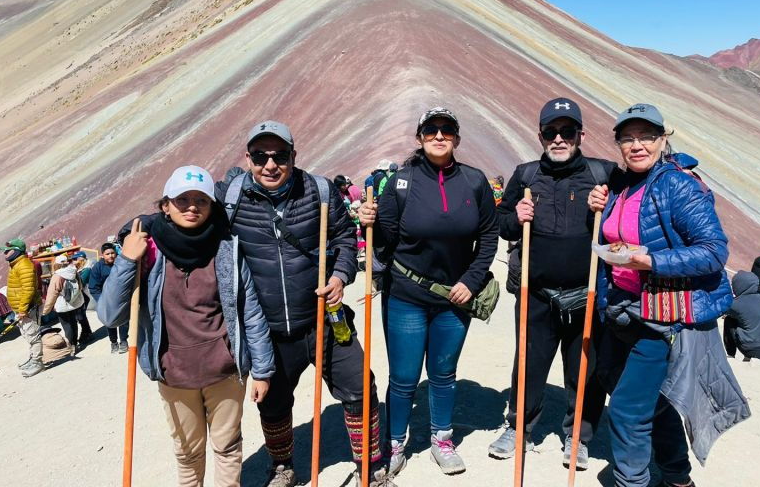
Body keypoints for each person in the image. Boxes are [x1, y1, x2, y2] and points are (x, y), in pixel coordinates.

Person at [215, 121, 393, 487]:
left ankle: (369, 468)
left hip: (324, 320)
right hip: (268, 330)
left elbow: (345, 237)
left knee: (360, 387)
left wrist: (340, 276)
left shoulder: (319, 191)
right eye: (261, 156)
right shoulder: (229, 198)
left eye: (280, 155)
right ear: (247, 158)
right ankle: (283, 466)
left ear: (294, 157)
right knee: (273, 403)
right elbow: (190, 213)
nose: (270, 164)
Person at [588, 103, 748, 487]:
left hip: (660, 318)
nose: (636, 145)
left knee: (627, 412)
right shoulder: (624, 185)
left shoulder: (678, 185)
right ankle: (677, 478)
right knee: (653, 404)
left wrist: (653, 260)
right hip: (623, 312)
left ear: (663, 139)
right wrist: (601, 206)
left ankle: (633, 482)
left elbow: (713, 252)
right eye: (627, 138)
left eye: (646, 136)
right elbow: (611, 238)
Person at [98, 164, 274, 487]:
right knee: (188, 454)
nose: (192, 207)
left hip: (224, 372)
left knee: (228, 448)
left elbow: (250, 311)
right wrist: (126, 260)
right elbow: (110, 315)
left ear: (212, 206)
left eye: (201, 200)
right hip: (175, 376)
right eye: (182, 200)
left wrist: (262, 369)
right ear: (165, 205)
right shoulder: (148, 253)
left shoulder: (226, 248)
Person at [358, 107, 499, 477]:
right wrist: (369, 224)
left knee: (443, 373)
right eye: (431, 130)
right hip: (406, 295)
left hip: (455, 298)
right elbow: (385, 241)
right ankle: (395, 443)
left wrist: (470, 281)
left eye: (447, 130)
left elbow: (488, 237)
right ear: (420, 138)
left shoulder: (474, 181)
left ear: (456, 138)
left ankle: (441, 439)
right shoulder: (401, 182)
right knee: (403, 377)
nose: (439, 136)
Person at [490, 98, 618, 469]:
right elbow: (501, 224)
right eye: (551, 132)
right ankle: (519, 428)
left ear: (581, 135)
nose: (559, 139)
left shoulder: (604, 174)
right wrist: (515, 217)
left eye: (567, 131)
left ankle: (577, 436)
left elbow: (630, 218)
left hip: (587, 293)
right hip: (537, 295)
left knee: (585, 369)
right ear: (541, 135)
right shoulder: (526, 175)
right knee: (528, 364)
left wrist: (605, 209)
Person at [0, 238, 44, 377]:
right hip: (21, 308)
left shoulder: (24, 265)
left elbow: (28, 290)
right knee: (27, 334)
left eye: (8, 251)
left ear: (17, 251)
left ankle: (38, 362)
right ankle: (33, 358)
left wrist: (23, 309)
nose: (5, 253)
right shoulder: (15, 264)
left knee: (33, 335)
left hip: (28, 308)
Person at [722, 270, 760, 361]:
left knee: (729, 320)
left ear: (739, 285)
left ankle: (731, 354)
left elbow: (721, 310)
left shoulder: (736, 303)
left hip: (752, 349)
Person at [88, 243, 128, 353]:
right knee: (110, 322)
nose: (110, 256)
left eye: (112, 253)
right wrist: (101, 300)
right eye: (107, 254)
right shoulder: (97, 268)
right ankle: (114, 343)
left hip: (121, 298)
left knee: (124, 320)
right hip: (106, 300)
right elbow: (93, 287)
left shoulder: (121, 264)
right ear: (103, 255)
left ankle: (124, 341)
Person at [41, 254, 84, 355]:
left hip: (62, 305)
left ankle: (70, 346)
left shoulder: (57, 276)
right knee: (73, 323)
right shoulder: (74, 271)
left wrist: (46, 310)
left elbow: (52, 294)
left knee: (66, 325)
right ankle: (75, 343)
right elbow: (80, 286)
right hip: (74, 303)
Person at [70, 250, 94, 344]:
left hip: (84, 294)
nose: (73, 261)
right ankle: (86, 332)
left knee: (80, 315)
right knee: (80, 315)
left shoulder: (86, 269)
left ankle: (87, 333)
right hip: (82, 294)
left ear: (81, 259)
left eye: (75, 259)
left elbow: (82, 283)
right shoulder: (81, 268)